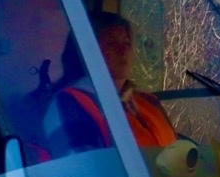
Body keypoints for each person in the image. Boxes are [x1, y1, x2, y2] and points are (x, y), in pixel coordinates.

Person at [49, 13, 178, 151]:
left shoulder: (150, 103)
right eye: (111, 43)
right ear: (86, 51)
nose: (123, 51)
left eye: (126, 43)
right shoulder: (69, 104)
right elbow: (85, 167)